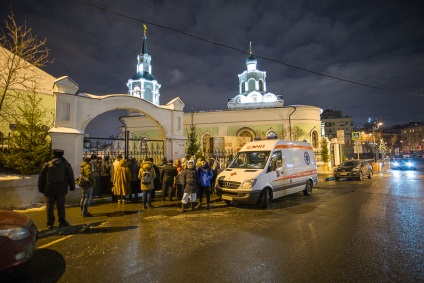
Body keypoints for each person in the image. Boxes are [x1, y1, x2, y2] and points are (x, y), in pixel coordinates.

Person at [38, 149, 75, 228]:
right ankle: (62, 221)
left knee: (49, 206)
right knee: (61, 205)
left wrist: (41, 188)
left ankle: (50, 223)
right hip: (61, 188)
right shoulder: (65, 164)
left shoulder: (47, 164)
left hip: (50, 188)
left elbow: (41, 177)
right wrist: (72, 186)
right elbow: (71, 176)